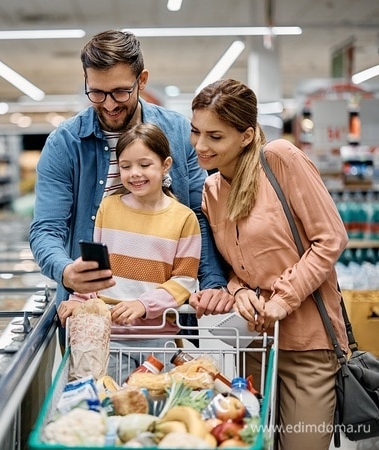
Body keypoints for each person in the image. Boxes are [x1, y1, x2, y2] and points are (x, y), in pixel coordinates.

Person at [29, 29, 230, 332]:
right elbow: (46, 229)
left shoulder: (178, 133)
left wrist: (214, 284)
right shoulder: (65, 143)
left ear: (142, 80)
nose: (109, 105)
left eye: (121, 92)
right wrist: (67, 271)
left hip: (167, 317)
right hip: (93, 317)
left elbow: (199, 217)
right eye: (96, 92)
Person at [188, 78, 349, 450]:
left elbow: (331, 238)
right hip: (255, 347)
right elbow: (236, 267)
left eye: (215, 136)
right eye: (196, 132)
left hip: (309, 346)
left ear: (245, 136)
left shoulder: (280, 159)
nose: (200, 146)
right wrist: (239, 291)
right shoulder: (211, 192)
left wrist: (283, 299)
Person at [57, 123, 201, 339]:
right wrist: (79, 299)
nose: (135, 174)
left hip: (156, 336)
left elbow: (184, 281)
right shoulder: (108, 207)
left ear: (166, 165)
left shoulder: (184, 218)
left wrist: (144, 304)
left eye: (144, 165)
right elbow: (96, 267)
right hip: (107, 333)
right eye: (126, 166)